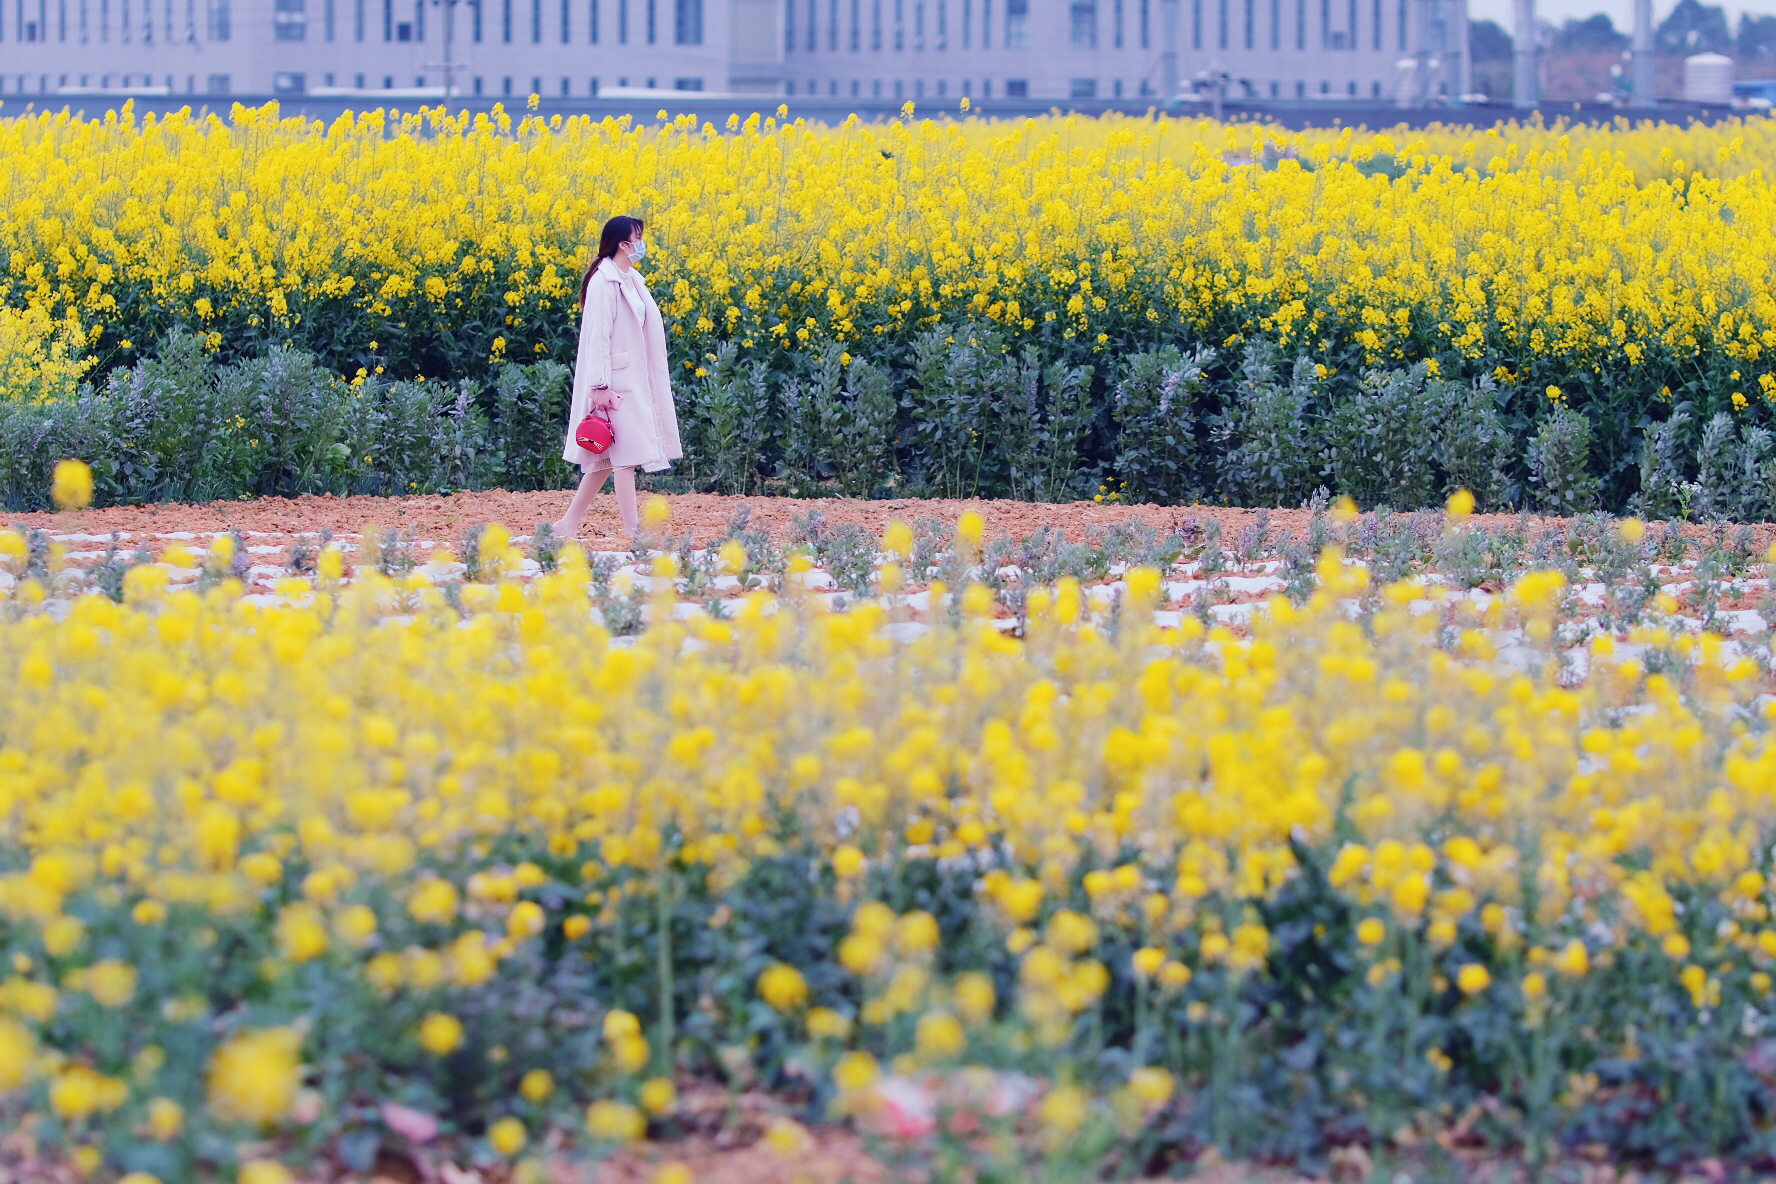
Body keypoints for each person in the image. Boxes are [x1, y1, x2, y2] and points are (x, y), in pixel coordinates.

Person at [552, 215, 682, 540]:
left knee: (607, 460)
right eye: (638, 237)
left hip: (632, 380)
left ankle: (567, 524)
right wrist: (599, 385)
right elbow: (598, 336)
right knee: (626, 457)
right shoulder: (604, 281)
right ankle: (635, 533)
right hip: (614, 384)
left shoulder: (630, 278)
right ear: (624, 243)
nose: (642, 244)